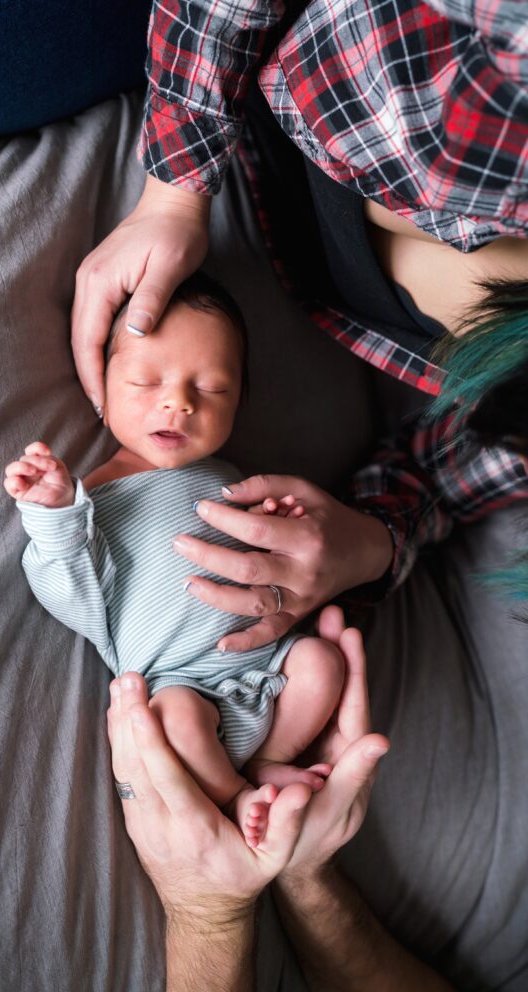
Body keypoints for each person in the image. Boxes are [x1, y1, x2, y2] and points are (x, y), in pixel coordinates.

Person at [71, 0, 528, 646]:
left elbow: (449, 476)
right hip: (217, 50)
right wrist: (173, 190)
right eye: (146, 383)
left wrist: (367, 545)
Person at [3, 273, 348, 843]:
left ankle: (269, 759)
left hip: (267, 668)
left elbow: (279, 568)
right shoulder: (96, 498)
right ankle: (238, 796)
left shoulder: (235, 479)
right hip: (180, 683)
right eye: (145, 380)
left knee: (321, 662)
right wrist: (54, 512)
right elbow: (70, 590)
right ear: (101, 385)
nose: (178, 402)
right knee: (178, 718)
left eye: (211, 389)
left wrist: (277, 528)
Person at [107, 606, 482, 992]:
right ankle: (258, 775)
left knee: (180, 716)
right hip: (244, 675)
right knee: (322, 662)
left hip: (208, 690)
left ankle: (243, 789)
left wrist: (211, 916)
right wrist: (303, 868)